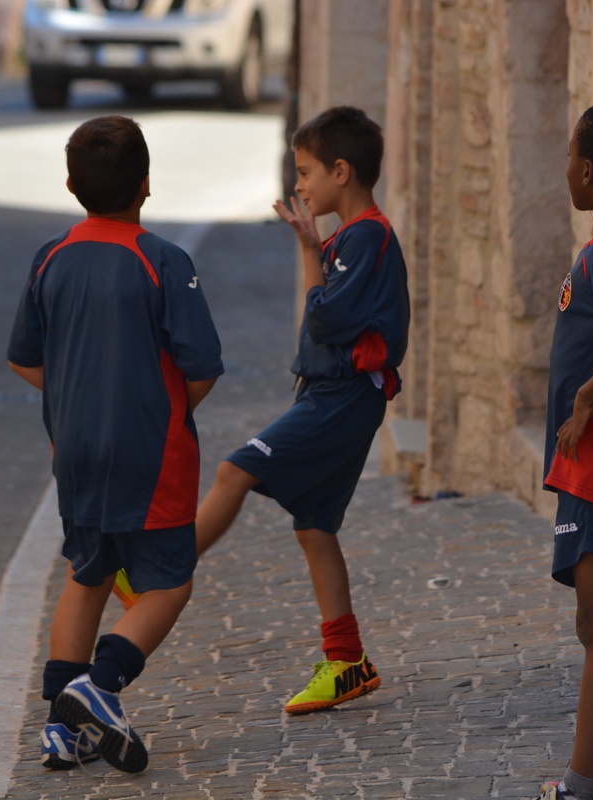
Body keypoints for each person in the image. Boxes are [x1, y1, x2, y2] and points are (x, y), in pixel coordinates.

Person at [115, 105, 409, 715]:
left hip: (343, 396)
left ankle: (155, 575)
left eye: (305, 172)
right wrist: (315, 247)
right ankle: (347, 661)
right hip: (336, 394)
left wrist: (308, 252)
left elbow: (325, 318)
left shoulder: (365, 236)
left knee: (235, 470)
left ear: (341, 171)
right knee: (314, 527)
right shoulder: (351, 238)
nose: (299, 184)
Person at [6, 115, 223, 774]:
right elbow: (202, 367)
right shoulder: (164, 261)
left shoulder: (50, 257)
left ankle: (61, 729)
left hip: (73, 451)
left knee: (87, 575)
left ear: (72, 186)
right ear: (146, 183)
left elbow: (24, 359)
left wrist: (76, 402)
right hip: (148, 453)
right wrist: (157, 412)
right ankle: (98, 687)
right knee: (169, 583)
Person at [538, 98, 593, 800]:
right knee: (591, 624)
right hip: (583, 470)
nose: (566, 168)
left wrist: (584, 399)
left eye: (571, 156)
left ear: (589, 171)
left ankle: (582, 785)